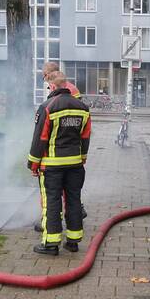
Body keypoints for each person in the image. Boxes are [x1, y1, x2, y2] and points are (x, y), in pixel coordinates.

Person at [28, 72, 91, 255]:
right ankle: (73, 241)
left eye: (49, 86)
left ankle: (51, 243)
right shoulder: (83, 108)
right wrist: (83, 157)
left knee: (52, 202)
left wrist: (33, 164)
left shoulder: (47, 107)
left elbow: (39, 138)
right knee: (73, 199)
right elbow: (85, 137)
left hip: (52, 166)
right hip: (75, 164)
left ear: (53, 87)